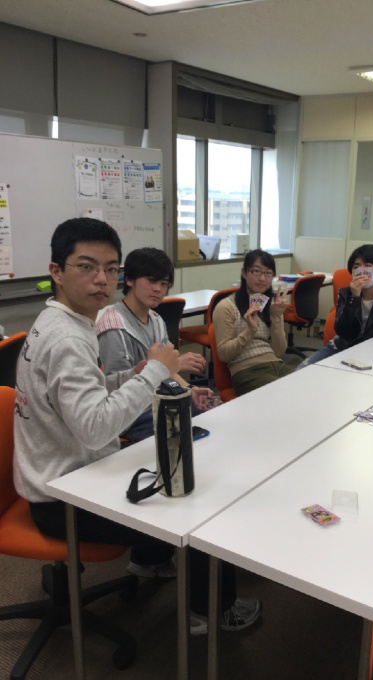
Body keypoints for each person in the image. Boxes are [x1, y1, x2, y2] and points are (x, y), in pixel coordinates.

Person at [13, 218, 259, 635]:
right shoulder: (69, 339)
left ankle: (151, 559)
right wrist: (154, 374)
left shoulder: (62, 321)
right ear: (56, 271)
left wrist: (134, 374)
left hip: (58, 472)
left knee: (174, 461)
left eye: (110, 269)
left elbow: (83, 396)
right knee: (198, 504)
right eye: (87, 267)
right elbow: (95, 428)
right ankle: (211, 612)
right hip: (63, 496)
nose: (101, 279)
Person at [96, 247, 213, 442]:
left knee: (213, 407)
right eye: (151, 280)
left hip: (161, 399)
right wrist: (167, 368)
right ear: (130, 280)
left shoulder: (156, 319)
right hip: (133, 415)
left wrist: (188, 390)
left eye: (164, 283)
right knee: (189, 429)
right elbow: (117, 393)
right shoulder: (114, 327)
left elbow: (167, 370)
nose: (158, 289)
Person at [213, 249, 293, 396]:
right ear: (244, 273)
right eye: (256, 271)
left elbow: (279, 352)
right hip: (247, 370)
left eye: (268, 273)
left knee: (305, 388)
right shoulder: (226, 307)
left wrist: (276, 317)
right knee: (284, 395)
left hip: (276, 364)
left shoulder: (272, 305)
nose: (262, 278)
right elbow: (224, 355)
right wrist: (249, 331)